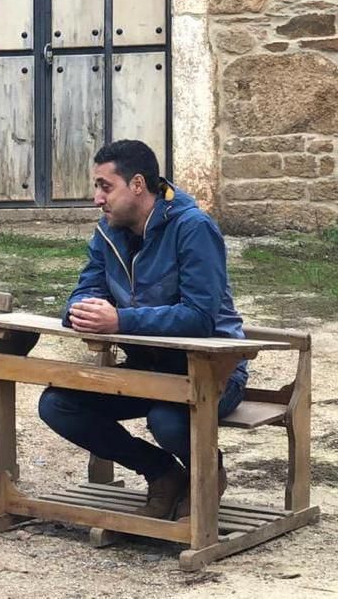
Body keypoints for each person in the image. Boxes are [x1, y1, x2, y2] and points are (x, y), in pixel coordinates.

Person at [38, 139, 246, 519]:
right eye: (97, 187)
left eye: (105, 186)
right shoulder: (107, 233)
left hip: (213, 371)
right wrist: (80, 311)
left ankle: (206, 472)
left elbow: (200, 317)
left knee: (166, 419)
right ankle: (162, 473)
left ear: (137, 185)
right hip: (147, 370)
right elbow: (85, 290)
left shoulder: (193, 228)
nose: (97, 199)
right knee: (58, 404)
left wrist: (120, 321)